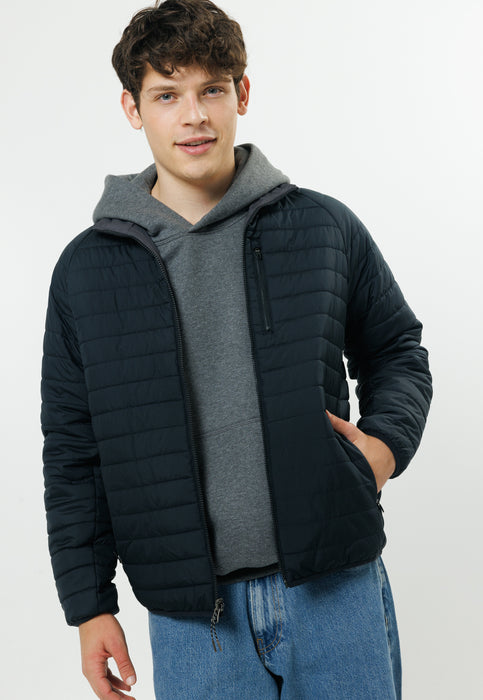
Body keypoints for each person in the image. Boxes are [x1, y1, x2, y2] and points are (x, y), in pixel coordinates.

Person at [40, 1, 432, 698]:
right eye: (167, 95)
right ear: (132, 108)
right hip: (194, 618)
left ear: (242, 93)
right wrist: (89, 606)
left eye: (212, 89)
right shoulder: (87, 270)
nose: (194, 116)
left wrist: (383, 447)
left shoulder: (321, 226)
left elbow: (396, 346)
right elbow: (73, 448)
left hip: (335, 585)